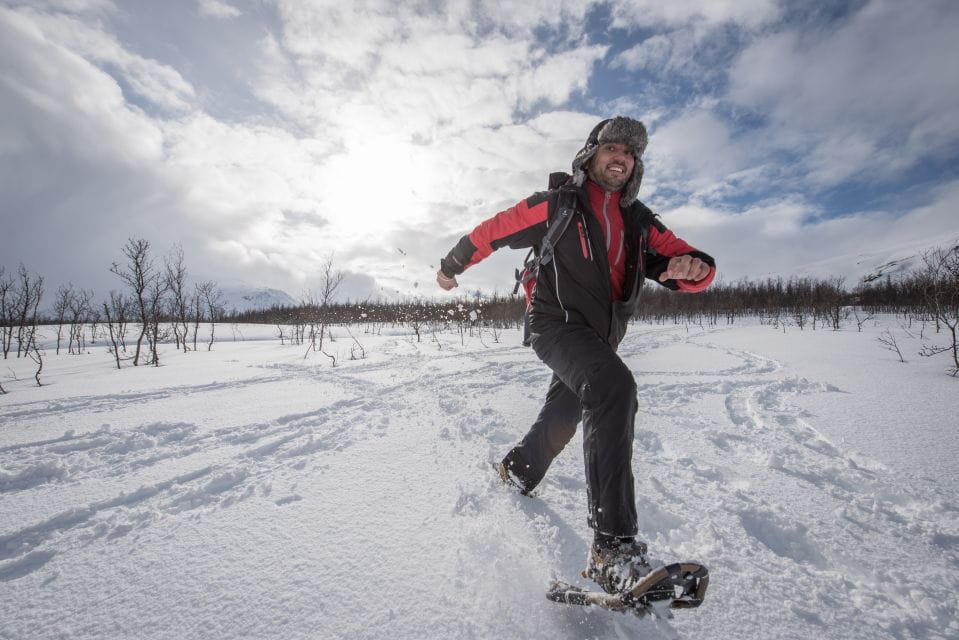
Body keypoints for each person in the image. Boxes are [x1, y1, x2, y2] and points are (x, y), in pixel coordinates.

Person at [435, 116, 715, 596]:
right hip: (554, 325)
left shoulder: (639, 220)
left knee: (564, 413)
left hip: (599, 340)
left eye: (631, 153)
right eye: (612, 147)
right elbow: (493, 230)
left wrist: (695, 268)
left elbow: (687, 264)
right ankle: (613, 550)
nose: (621, 157)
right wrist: (451, 265)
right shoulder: (558, 203)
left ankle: (518, 470)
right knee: (613, 387)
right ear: (590, 153)